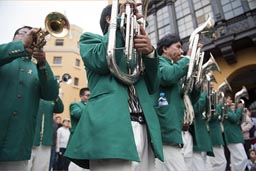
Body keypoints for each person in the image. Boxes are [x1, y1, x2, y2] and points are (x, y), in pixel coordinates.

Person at [65, 1, 163, 171]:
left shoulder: (135, 52)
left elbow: (152, 85)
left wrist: (149, 53)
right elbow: (102, 60)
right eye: (128, 16)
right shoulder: (89, 39)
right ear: (111, 19)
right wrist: (121, 20)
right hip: (112, 128)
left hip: (144, 127)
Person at [0, 26, 59, 171]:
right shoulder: (4, 56)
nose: (29, 37)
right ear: (13, 38)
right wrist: (20, 46)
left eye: (32, 35)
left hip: (18, 145)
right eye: (24, 33)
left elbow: (51, 94)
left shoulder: (37, 69)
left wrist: (43, 63)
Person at [154, 33, 189, 171]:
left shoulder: (173, 67)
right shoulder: (158, 62)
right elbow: (168, 76)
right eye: (178, 47)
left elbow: (184, 94)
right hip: (166, 127)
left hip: (173, 127)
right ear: (164, 49)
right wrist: (187, 60)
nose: (181, 51)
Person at [28, 96, 64, 171]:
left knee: (41, 168)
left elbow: (60, 108)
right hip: (30, 141)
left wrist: (54, 93)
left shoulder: (50, 101)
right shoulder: (32, 96)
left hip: (45, 142)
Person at [221, 93, 248, 171]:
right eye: (229, 99)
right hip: (232, 136)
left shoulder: (230, 109)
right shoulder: (224, 108)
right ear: (224, 99)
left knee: (236, 159)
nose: (231, 100)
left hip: (235, 135)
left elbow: (238, 121)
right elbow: (234, 118)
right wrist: (239, 109)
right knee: (242, 158)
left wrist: (241, 111)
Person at [68, 87, 90, 171]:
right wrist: (91, 106)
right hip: (78, 141)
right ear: (81, 96)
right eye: (87, 95)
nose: (89, 98)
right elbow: (77, 114)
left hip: (88, 140)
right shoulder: (75, 105)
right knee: (75, 166)